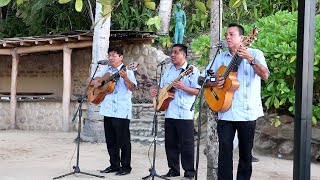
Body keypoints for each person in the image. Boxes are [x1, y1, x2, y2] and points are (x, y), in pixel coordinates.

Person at [202, 23, 269, 180]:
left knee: (246, 154)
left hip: (247, 113)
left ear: (243, 38)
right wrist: (214, 82)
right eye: (226, 34)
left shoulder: (255, 53)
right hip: (226, 113)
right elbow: (203, 78)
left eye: (231, 34)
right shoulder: (220, 57)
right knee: (224, 153)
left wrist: (250, 59)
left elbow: (265, 75)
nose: (227, 37)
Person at [149, 44, 200, 179]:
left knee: (187, 145)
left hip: (184, 113)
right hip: (170, 112)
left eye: (176, 52)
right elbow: (162, 89)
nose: (172, 55)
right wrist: (155, 91)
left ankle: (189, 172)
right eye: (172, 52)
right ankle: (173, 169)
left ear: (184, 55)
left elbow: (197, 91)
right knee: (170, 143)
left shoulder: (192, 70)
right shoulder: (168, 70)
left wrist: (183, 87)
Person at [88, 46, 137, 176]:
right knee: (111, 141)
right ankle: (114, 165)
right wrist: (96, 82)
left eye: (114, 55)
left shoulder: (128, 70)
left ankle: (126, 167)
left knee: (123, 141)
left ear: (121, 57)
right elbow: (90, 81)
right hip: (108, 110)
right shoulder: (106, 70)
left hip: (121, 111)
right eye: (109, 55)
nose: (111, 57)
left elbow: (132, 88)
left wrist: (125, 77)